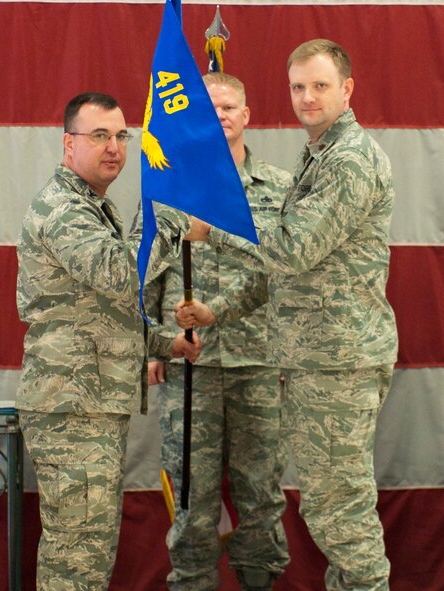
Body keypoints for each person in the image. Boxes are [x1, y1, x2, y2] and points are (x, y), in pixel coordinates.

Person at [179, 40, 398, 590]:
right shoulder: (318, 153)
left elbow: (292, 249)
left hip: (337, 358)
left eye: (320, 86)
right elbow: (288, 276)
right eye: (298, 87)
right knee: (331, 508)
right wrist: (218, 309)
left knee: (339, 512)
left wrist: (212, 230)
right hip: (316, 356)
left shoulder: (349, 160)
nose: (306, 97)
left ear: (347, 89)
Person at [15, 92, 203, 591]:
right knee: (76, 555)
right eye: (99, 135)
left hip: (88, 404)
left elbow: (100, 313)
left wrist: (166, 344)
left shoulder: (94, 207)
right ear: (67, 144)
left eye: (122, 136)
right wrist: (168, 211)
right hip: (73, 407)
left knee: (90, 550)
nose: (115, 147)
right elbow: (122, 275)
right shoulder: (63, 209)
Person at [145, 72, 291, 591]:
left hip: (260, 359)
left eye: (230, 106)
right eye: (209, 109)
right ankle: (190, 583)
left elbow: (286, 270)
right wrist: (154, 343)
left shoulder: (279, 186)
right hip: (191, 361)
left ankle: (259, 581)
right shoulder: (171, 185)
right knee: (192, 493)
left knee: (260, 489)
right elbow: (153, 268)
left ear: (247, 115)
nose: (221, 116)